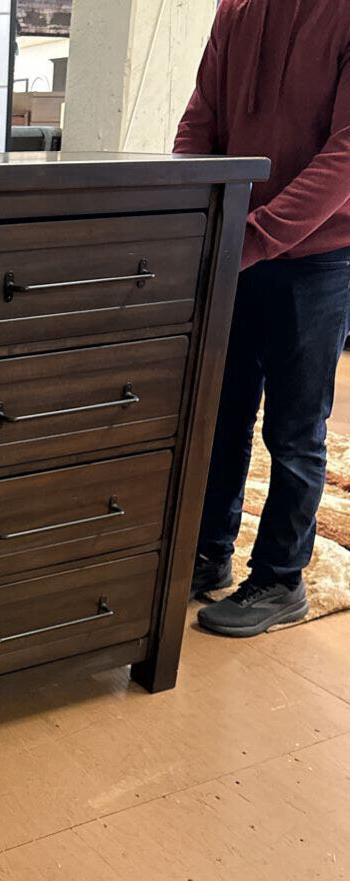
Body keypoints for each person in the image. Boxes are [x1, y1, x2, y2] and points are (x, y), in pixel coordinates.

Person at [175, 0, 350, 637]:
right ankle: (207, 553)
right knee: (219, 415)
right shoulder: (236, 9)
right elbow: (200, 121)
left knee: (295, 428)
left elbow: (346, 153)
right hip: (233, 244)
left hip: (319, 255)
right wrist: (191, 213)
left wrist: (253, 236)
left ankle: (282, 578)